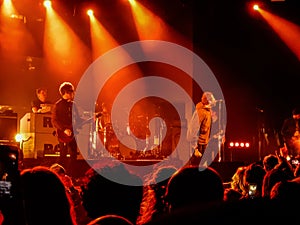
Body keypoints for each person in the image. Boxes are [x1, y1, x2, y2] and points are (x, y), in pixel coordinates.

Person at [51, 82, 84, 175]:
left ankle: (70, 175)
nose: (73, 93)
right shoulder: (58, 105)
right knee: (63, 155)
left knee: (74, 155)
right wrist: (64, 129)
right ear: (66, 92)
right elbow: (54, 120)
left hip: (73, 133)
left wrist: (90, 118)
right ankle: (59, 175)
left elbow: (77, 119)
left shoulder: (74, 105)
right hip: (63, 134)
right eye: (71, 91)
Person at [186, 91, 216, 166]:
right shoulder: (200, 112)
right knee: (196, 168)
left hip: (204, 144)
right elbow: (193, 131)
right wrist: (195, 148)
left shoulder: (207, 112)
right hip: (199, 146)